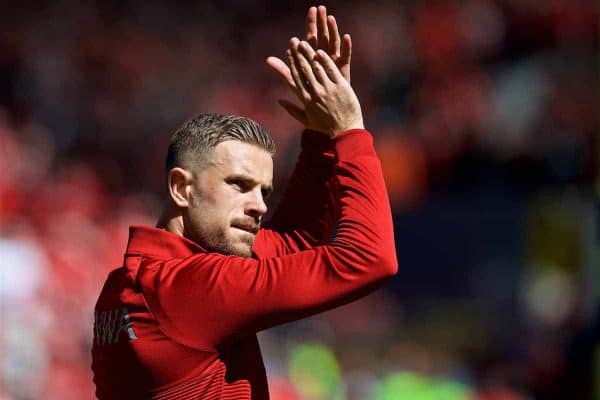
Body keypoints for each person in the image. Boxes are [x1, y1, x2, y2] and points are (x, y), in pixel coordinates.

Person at [91, 6, 397, 399]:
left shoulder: (133, 282)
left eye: (264, 192)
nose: (259, 206)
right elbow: (370, 258)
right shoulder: (186, 290)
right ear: (181, 188)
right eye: (239, 185)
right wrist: (349, 132)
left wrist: (320, 138)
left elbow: (294, 242)